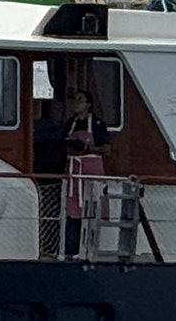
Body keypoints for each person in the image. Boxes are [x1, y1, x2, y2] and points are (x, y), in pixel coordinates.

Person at [62, 88, 110, 256]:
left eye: (80, 100)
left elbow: (106, 149)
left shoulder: (97, 124)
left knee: (91, 212)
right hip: (74, 171)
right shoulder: (70, 123)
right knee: (72, 212)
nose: (76, 103)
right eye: (75, 99)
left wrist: (86, 147)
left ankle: (90, 250)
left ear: (88, 104)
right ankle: (70, 250)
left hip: (91, 171)